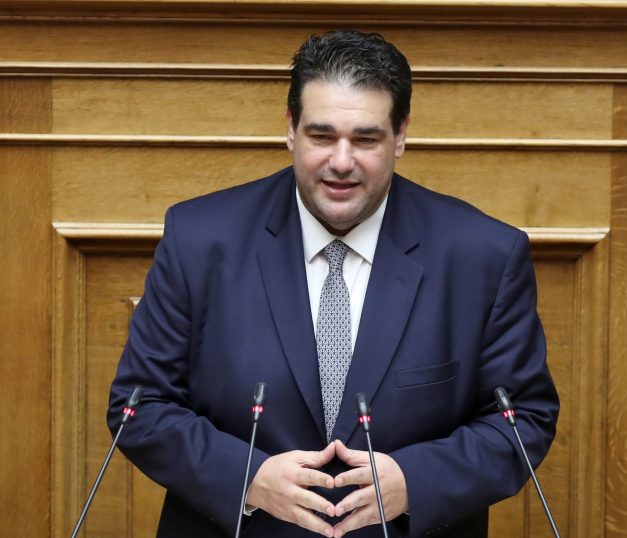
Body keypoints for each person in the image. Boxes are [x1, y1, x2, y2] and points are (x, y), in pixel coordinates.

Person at [108, 30, 559, 538]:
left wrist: (416, 482)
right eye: (322, 136)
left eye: (365, 139)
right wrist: (248, 479)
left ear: (401, 135)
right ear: (291, 129)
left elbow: (524, 418)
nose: (341, 162)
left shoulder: (484, 255)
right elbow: (140, 407)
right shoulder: (198, 240)